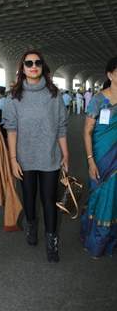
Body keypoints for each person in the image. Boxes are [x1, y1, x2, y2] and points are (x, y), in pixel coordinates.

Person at [3, 50, 69, 263]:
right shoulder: (14, 97)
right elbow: (11, 130)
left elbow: (61, 127)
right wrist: (13, 160)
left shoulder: (54, 95)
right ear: (22, 68)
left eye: (37, 62)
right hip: (24, 159)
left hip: (50, 157)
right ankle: (31, 227)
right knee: (29, 199)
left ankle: (52, 242)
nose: (33, 66)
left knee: (49, 200)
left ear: (43, 67)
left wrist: (65, 154)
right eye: (28, 63)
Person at [81, 56, 117, 258]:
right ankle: (95, 241)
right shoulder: (98, 100)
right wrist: (90, 160)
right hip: (101, 156)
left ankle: (110, 240)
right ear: (110, 74)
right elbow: (86, 131)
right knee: (99, 195)